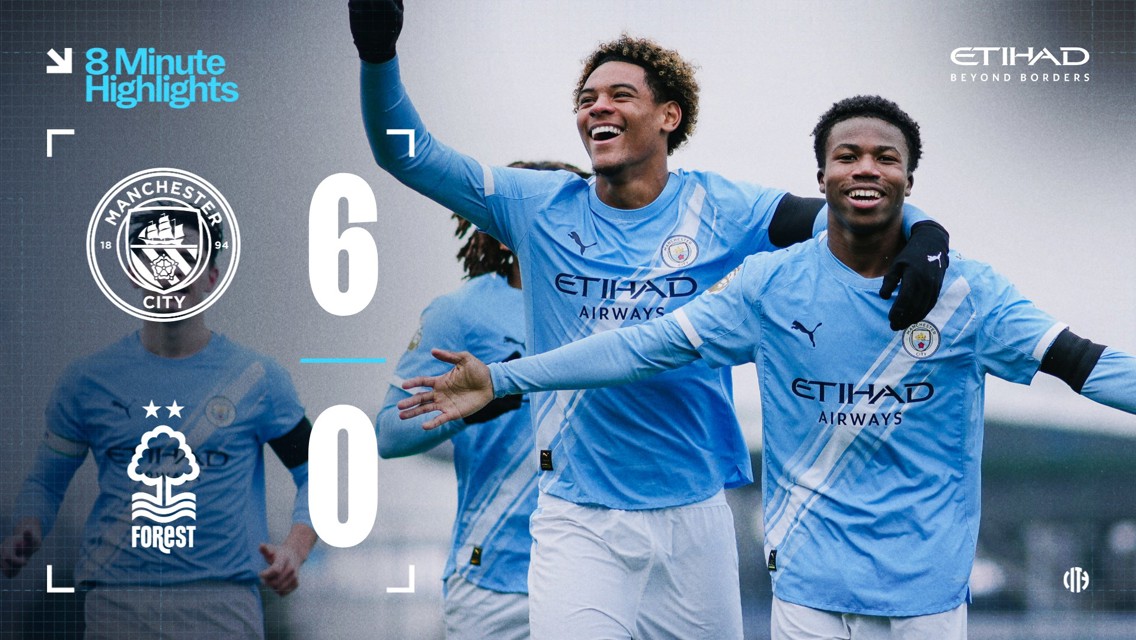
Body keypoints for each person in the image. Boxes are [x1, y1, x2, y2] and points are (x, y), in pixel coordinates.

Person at [396, 95, 1136, 639]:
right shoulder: (769, 287)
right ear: (821, 174)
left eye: (886, 157)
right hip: (807, 595)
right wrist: (503, 379)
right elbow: (635, 347)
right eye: (848, 155)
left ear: (911, 179)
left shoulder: (973, 296)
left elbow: (1087, 365)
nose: (865, 168)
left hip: (928, 603)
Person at [349, 2, 949, 636]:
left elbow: (849, 208)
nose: (596, 107)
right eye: (586, 98)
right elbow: (405, 155)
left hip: (695, 517)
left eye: (619, 95)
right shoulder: (538, 207)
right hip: (579, 521)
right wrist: (378, 53)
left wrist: (927, 234)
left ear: (669, 115)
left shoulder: (725, 208)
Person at [0, 208, 316, 640]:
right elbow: (46, 481)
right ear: (134, 273)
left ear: (212, 277)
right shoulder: (87, 381)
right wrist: (28, 525)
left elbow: (322, 473)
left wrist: (294, 551)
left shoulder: (257, 380)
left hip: (223, 607)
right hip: (117, 603)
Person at [376, 160, 589, 640]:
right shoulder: (462, 312)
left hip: (594, 574)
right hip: (493, 576)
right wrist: (489, 400)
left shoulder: (612, 310)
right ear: (501, 231)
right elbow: (388, 434)